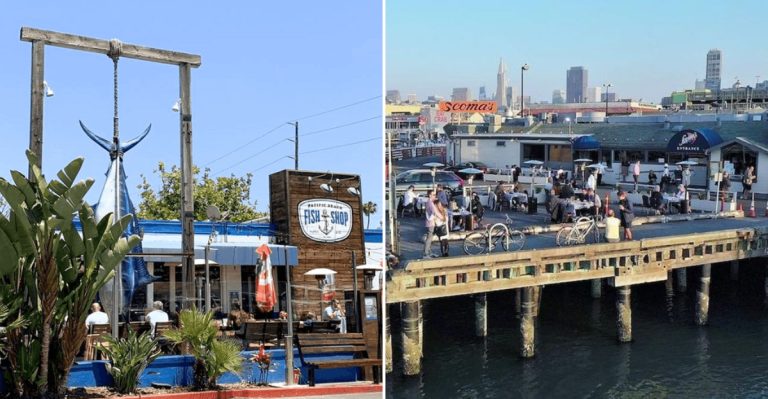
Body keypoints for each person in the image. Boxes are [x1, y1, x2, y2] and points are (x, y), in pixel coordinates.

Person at [423, 190, 438, 258]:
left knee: (430, 238)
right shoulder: (430, 202)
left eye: (435, 195)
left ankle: (429, 252)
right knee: (429, 239)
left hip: (430, 222)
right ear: (430, 195)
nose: (435, 196)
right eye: (433, 195)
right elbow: (433, 212)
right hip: (430, 223)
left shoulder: (429, 202)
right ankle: (426, 254)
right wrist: (434, 217)